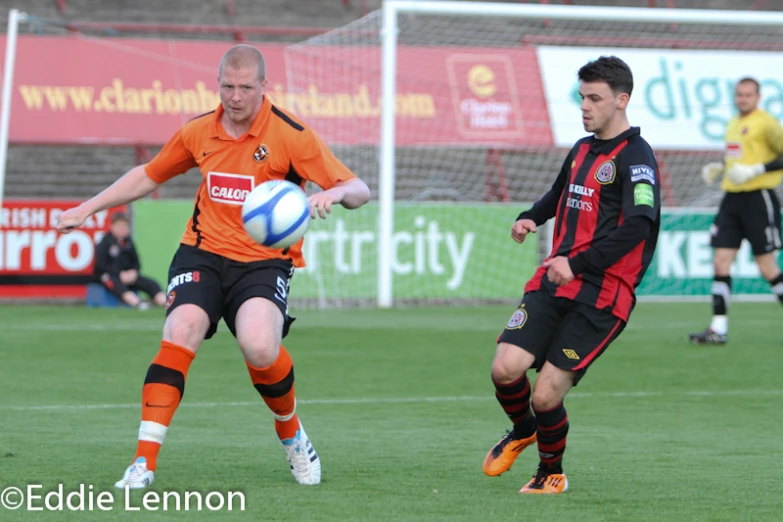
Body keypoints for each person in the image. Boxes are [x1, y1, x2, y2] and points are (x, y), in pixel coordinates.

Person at [57, 44, 370, 489]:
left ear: (264, 87)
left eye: (246, 87)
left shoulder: (291, 135)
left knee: (260, 346)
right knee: (180, 330)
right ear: (218, 83)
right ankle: (143, 463)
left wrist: (333, 193)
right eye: (228, 85)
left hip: (263, 262)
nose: (235, 96)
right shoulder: (199, 131)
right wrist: (88, 208)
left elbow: (359, 189)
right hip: (202, 252)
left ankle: (292, 433)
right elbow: (149, 173)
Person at [481, 56, 661, 494]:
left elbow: (640, 224)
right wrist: (531, 216)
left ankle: (550, 474)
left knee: (546, 395)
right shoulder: (582, 148)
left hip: (602, 293)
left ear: (622, 101)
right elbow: (560, 193)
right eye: (582, 97)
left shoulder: (637, 158)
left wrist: (577, 263)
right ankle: (522, 429)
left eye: (595, 98)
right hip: (555, 280)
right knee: (505, 368)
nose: (585, 106)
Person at [689, 77, 783, 345]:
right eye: (739, 95)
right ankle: (718, 328)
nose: (742, 99)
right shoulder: (733, 123)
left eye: (748, 95)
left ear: (758, 96)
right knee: (721, 261)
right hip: (732, 198)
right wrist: (720, 166)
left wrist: (757, 170)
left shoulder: (766, 123)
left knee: (767, 268)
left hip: (758, 198)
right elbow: (737, 156)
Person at [94, 211, 166, 310]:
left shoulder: (128, 242)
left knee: (151, 283)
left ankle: (164, 302)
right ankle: (138, 303)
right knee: (115, 283)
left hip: (129, 276)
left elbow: (136, 262)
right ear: (112, 226)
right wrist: (119, 274)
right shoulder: (105, 242)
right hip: (110, 276)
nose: (122, 229)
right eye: (119, 226)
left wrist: (133, 272)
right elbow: (100, 265)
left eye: (124, 226)